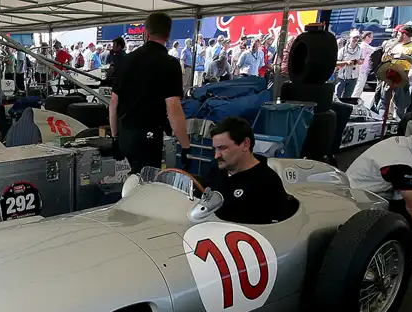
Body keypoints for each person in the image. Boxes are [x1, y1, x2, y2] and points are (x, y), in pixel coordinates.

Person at [346, 126, 412, 258]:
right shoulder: (402, 163)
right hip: (359, 199)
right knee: (405, 217)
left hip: (360, 186)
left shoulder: (400, 141)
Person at [110, 12, 191, 173]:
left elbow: (113, 104)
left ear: (146, 33)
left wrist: (115, 137)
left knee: (134, 179)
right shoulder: (169, 64)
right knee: (146, 186)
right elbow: (173, 108)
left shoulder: (125, 60)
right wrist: (185, 146)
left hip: (125, 134)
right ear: (168, 35)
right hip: (148, 137)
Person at [201, 117, 290, 224]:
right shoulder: (215, 168)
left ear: (245, 144)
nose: (216, 155)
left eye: (222, 148)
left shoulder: (267, 182)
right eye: (215, 149)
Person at [378, 25, 412, 118]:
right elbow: (385, 59)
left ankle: (399, 123)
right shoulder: (395, 45)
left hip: (402, 75)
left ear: (404, 35)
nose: (397, 35)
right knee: (384, 99)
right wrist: (386, 54)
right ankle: (382, 120)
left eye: (399, 34)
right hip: (389, 74)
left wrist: (404, 56)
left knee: (400, 103)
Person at [335, 31, 364, 99]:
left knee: (348, 98)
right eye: (354, 37)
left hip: (353, 77)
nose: (355, 39)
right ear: (349, 38)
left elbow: (362, 60)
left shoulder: (360, 50)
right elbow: (336, 63)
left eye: (357, 37)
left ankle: (344, 109)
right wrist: (346, 62)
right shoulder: (343, 50)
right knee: (337, 96)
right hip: (342, 76)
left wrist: (358, 61)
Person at [353, 31, 375, 97]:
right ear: (367, 37)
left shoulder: (359, 44)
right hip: (362, 70)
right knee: (359, 87)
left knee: (356, 86)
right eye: (371, 37)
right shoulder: (365, 46)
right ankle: (353, 101)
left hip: (357, 68)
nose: (372, 39)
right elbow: (375, 50)